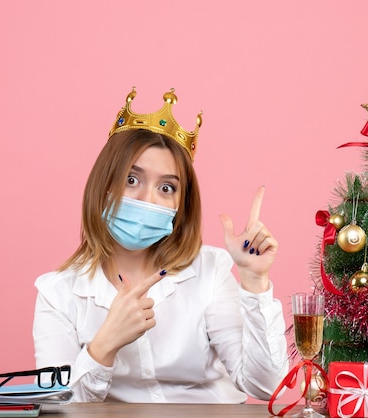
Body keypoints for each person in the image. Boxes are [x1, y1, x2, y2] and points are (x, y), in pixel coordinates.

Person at [32, 88, 289, 403]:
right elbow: (58, 406)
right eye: (131, 180)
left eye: (166, 187)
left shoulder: (210, 270)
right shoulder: (58, 293)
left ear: (181, 204)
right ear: (103, 185)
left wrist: (254, 281)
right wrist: (104, 346)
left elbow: (266, 386)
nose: (148, 200)